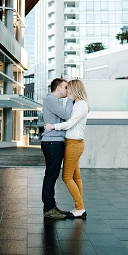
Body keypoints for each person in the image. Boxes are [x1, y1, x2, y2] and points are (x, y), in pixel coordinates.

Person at [45, 79, 90, 220]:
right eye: (66, 88)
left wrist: (53, 126)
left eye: (69, 88)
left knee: (66, 177)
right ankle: (79, 207)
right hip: (72, 143)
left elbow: (69, 122)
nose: (68, 91)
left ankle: (80, 208)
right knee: (76, 176)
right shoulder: (79, 104)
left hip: (74, 144)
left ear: (75, 89)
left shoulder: (81, 105)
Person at [41, 78, 74, 219]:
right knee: (51, 176)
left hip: (54, 141)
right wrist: (70, 100)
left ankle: (51, 206)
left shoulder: (55, 101)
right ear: (58, 88)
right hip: (52, 142)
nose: (68, 90)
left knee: (52, 176)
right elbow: (67, 115)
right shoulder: (51, 100)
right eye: (66, 87)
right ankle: (48, 208)